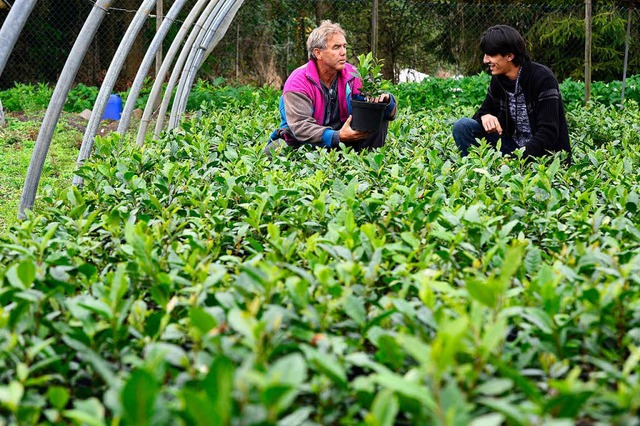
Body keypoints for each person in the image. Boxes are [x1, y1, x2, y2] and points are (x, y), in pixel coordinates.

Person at [266, 20, 397, 156]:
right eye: (336, 47)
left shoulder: (354, 76)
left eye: (344, 46)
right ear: (318, 53)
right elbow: (300, 127)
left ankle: (370, 167)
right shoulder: (298, 82)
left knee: (377, 114)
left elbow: (389, 112)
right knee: (274, 151)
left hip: (345, 139)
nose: (343, 52)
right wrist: (337, 136)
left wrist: (386, 102)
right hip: (304, 143)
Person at [452, 25, 571, 161]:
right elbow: (482, 113)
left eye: (490, 54)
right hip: (511, 146)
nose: (485, 60)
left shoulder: (542, 78)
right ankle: (474, 174)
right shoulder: (499, 80)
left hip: (544, 156)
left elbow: (548, 133)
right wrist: (485, 116)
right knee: (462, 126)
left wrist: (515, 160)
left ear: (509, 56)